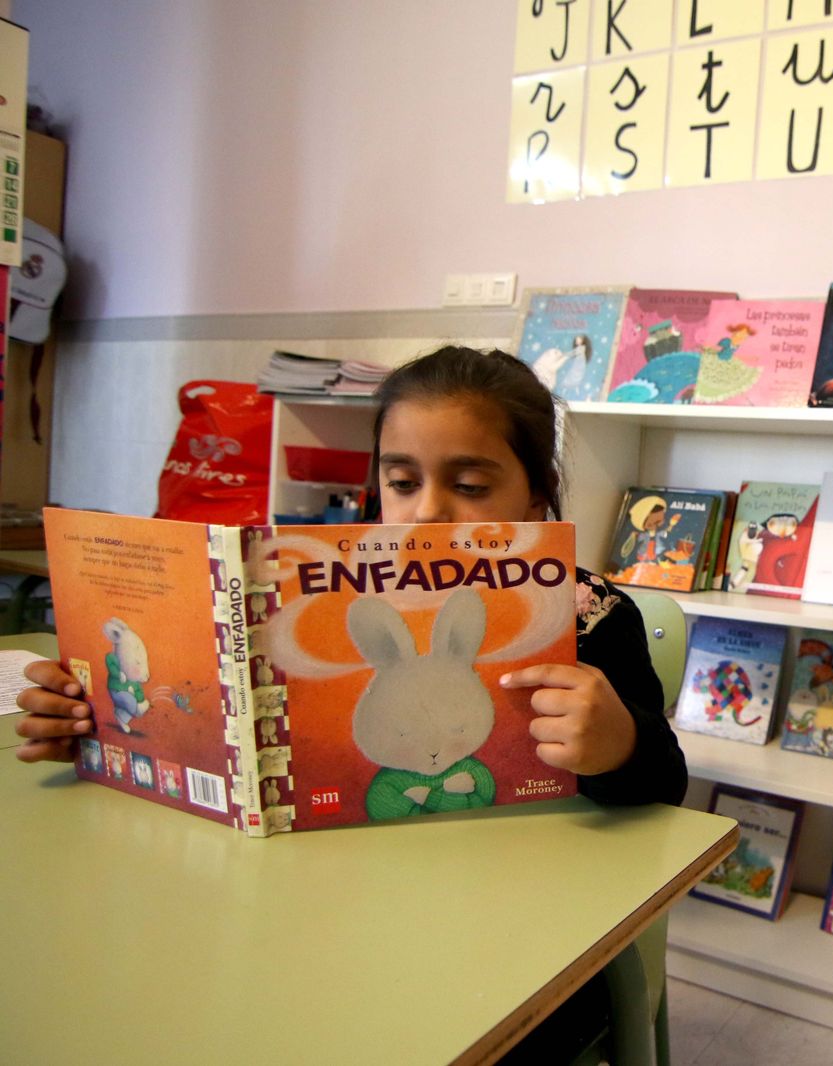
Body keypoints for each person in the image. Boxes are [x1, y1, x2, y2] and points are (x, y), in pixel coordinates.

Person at [13, 345, 687, 1057]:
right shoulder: (322, 598)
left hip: (518, 940)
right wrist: (97, 727)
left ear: (535, 495)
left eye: (471, 484)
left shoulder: (590, 613)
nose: (426, 513)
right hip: (341, 911)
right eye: (401, 481)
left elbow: (665, 785)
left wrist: (621, 744)